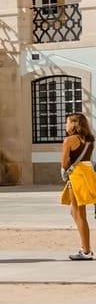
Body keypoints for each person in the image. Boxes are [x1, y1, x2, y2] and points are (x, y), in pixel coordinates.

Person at [60, 111, 96, 259]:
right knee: (76, 212)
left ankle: (86, 250)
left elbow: (64, 162)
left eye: (68, 121)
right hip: (89, 173)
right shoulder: (90, 140)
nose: (65, 124)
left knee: (79, 214)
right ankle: (85, 248)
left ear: (74, 124)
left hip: (76, 176)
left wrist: (64, 172)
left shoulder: (69, 140)